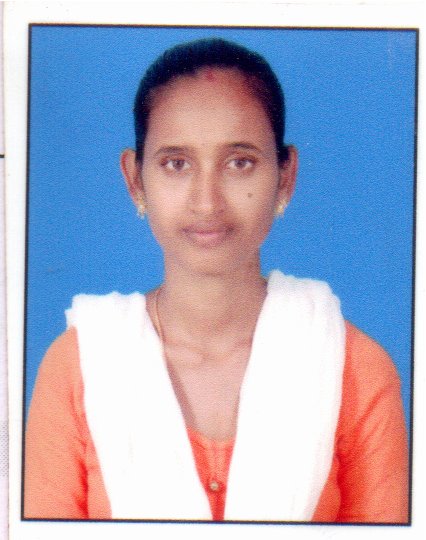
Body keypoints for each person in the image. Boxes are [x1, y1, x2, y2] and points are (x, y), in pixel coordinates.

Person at [24, 38, 408, 523]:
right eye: (176, 164)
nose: (207, 201)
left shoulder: (355, 369)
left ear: (286, 176)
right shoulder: (80, 367)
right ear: (135, 180)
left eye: (239, 162)